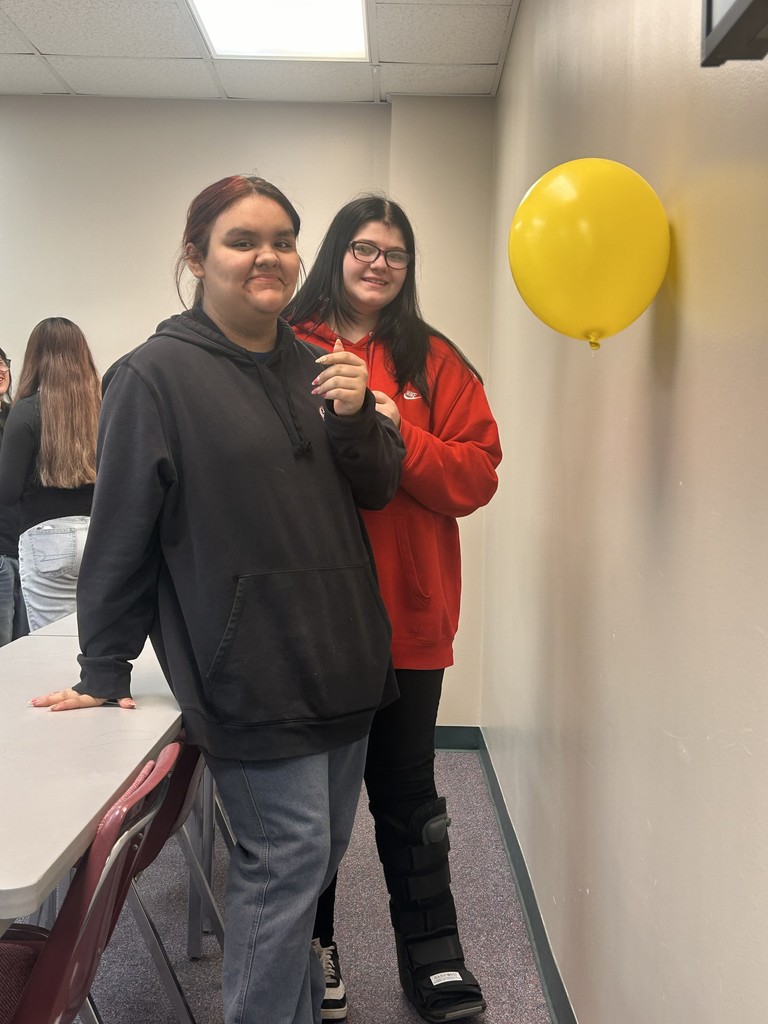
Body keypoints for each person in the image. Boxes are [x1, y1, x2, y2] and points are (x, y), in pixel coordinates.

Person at [29, 175, 405, 1024]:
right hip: (250, 675)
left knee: (312, 864)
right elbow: (121, 531)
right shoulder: (152, 377)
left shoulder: (321, 367)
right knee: (285, 864)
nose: (267, 256)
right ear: (196, 258)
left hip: (347, 661)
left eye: (282, 239)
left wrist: (358, 418)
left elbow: (379, 488)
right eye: (243, 240)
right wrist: (102, 665)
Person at [285, 195, 502, 1024]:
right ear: (335, 253)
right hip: (314, 622)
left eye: (396, 254)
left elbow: (478, 474)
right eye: (364, 248)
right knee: (314, 806)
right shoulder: (285, 348)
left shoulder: (433, 359)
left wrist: (396, 431)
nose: (379, 264)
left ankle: (433, 954)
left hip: (410, 620)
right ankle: (319, 950)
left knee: (410, 799)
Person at [0, 318, 99, 630]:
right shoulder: (102, 407)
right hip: (98, 532)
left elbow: (7, 491)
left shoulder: (26, 411)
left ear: (34, 358)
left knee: (52, 644)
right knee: (94, 637)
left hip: (47, 541)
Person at [0, 347, 29, 645]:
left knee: (28, 644)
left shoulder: (17, 416)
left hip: (27, 547)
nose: (1, 370)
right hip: (1, 553)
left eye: (3, 362)